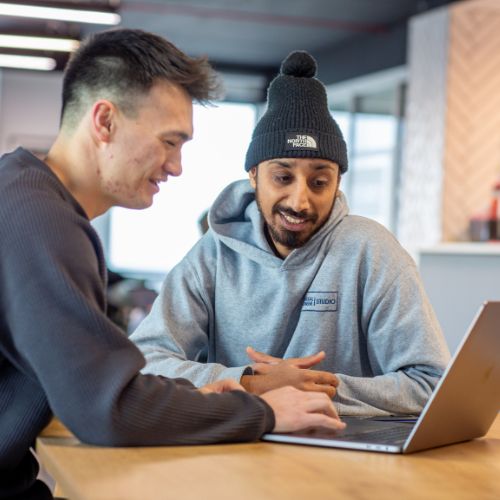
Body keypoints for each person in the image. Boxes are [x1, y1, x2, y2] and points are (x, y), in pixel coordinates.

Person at [0, 31, 344, 500]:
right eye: (169, 142)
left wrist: (192, 402)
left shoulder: (21, 192)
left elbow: (94, 383)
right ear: (105, 121)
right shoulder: (41, 222)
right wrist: (264, 413)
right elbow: (108, 410)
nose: (177, 166)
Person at [130, 50, 451, 416]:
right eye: (282, 177)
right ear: (253, 175)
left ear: (338, 182)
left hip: (344, 453)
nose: (299, 201)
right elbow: (144, 360)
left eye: (319, 181)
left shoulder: (372, 252)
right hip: (240, 443)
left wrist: (315, 389)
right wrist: (250, 383)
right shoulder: (214, 254)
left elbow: (430, 384)